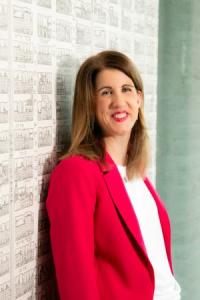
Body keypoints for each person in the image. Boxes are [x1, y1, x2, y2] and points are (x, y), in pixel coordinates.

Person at [46, 50, 181, 300]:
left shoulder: (136, 173)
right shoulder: (76, 172)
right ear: (90, 104)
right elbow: (77, 284)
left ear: (139, 99)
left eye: (127, 89)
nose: (119, 101)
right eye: (106, 92)